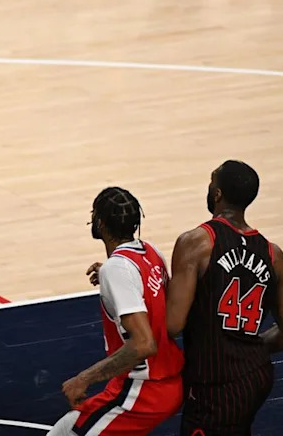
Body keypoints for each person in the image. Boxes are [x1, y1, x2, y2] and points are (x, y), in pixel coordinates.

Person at [167, 160, 283, 435]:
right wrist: (248, 349)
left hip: (215, 383)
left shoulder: (196, 242)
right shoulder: (273, 254)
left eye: (211, 182)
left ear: (217, 194)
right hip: (256, 376)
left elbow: (173, 324)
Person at [47, 187, 184, 436]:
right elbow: (152, 298)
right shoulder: (152, 253)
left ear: (99, 223)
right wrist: (111, 277)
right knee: (61, 432)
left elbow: (144, 344)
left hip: (144, 391)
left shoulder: (117, 269)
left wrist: (84, 378)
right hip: (167, 380)